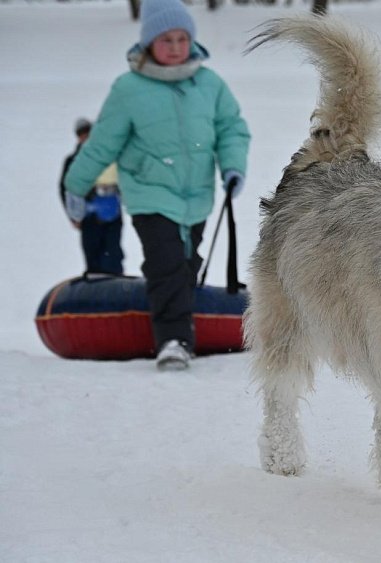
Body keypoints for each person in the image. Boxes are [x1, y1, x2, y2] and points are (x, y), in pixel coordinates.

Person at [64, 0, 250, 371]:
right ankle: (174, 341)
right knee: (165, 263)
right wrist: (76, 185)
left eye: (183, 38)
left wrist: (232, 167)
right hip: (150, 193)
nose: (176, 46)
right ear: (148, 43)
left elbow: (232, 128)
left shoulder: (209, 84)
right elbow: (103, 143)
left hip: (197, 196)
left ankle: (179, 320)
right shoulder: (129, 88)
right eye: (166, 39)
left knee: (185, 266)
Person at [61, 118, 126, 276]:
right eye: (82, 135)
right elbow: (65, 188)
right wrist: (73, 215)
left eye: (88, 134)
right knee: (93, 253)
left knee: (113, 253)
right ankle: (96, 283)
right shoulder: (73, 160)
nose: (86, 138)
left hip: (112, 212)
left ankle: (115, 283)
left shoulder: (109, 155)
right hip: (88, 215)